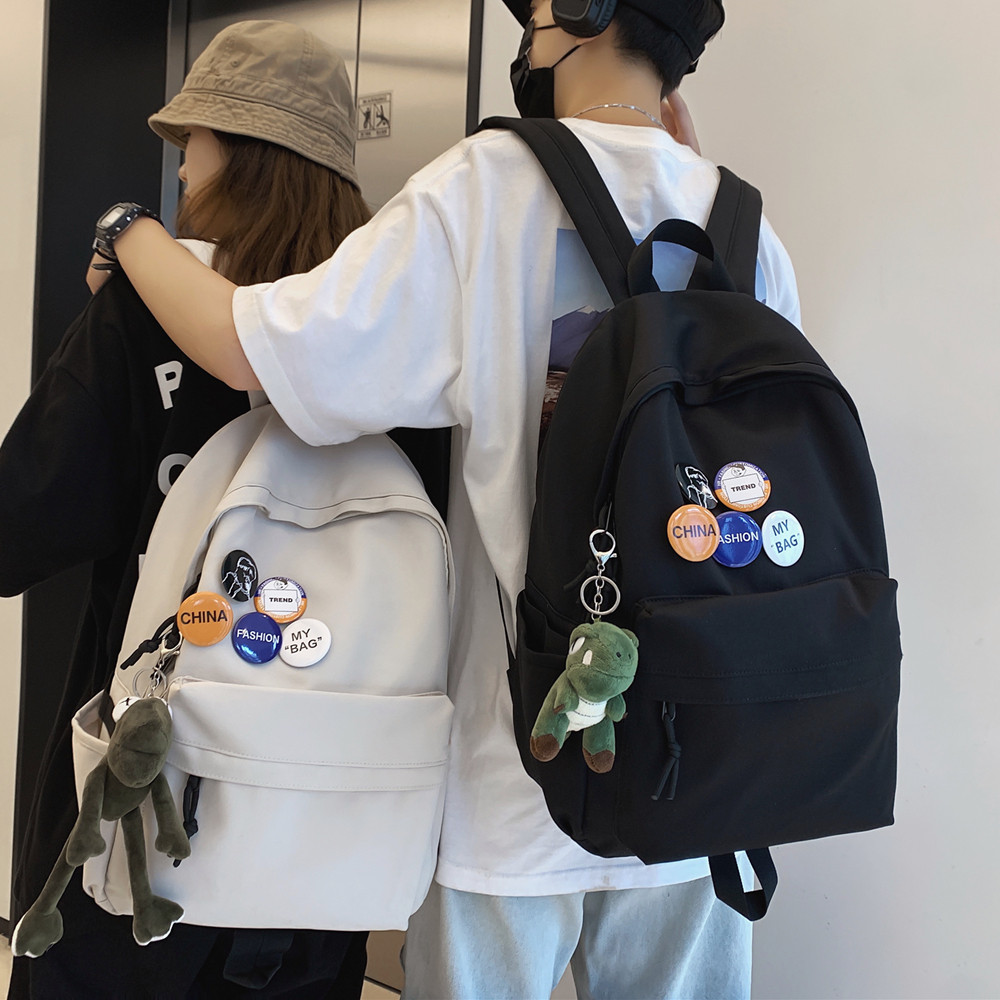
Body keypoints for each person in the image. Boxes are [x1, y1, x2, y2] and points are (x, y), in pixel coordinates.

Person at [99, 2, 803, 996]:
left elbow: (256, 350)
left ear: (585, 11)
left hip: (512, 782)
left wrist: (128, 233)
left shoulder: (487, 189)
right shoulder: (746, 225)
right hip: (703, 775)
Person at [1, 20, 373, 999]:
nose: (181, 169)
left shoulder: (140, 314)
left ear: (240, 153)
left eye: (192, 143)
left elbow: (18, 524)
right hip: (321, 828)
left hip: (138, 813)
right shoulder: (391, 330)